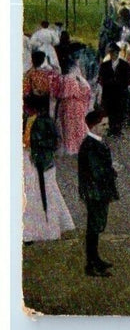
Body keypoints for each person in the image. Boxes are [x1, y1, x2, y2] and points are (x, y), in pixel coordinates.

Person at [23, 102, 76, 243]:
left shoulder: (43, 121)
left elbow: (53, 142)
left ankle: (46, 229)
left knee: (44, 193)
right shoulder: (28, 119)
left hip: (40, 162)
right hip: (31, 159)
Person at [77, 110, 118, 277]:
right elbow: (98, 172)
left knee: (96, 226)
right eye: (103, 125)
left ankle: (95, 259)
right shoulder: (91, 145)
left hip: (97, 191)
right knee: (94, 227)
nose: (107, 128)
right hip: (95, 192)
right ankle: (91, 264)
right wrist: (113, 170)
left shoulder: (95, 142)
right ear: (93, 126)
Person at [54, 59, 92, 156]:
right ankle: (81, 146)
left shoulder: (63, 79)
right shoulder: (79, 79)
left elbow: (58, 94)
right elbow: (87, 91)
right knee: (79, 127)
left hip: (67, 107)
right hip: (78, 106)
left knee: (68, 128)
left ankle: (71, 149)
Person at [98, 42, 130, 138]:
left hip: (120, 92)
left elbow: (127, 79)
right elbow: (102, 78)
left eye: (115, 53)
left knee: (119, 111)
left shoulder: (125, 65)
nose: (114, 55)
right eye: (112, 53)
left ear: (118, 53)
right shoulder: (105, 65)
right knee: (111, 111)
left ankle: (118, 130)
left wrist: (120, 84)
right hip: (109, 92)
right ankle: (112, 129)